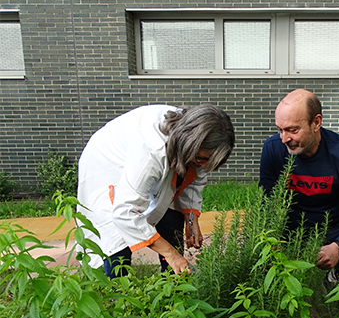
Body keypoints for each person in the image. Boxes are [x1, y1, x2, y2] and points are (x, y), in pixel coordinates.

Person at [77, 104, 235, 277]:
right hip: (107, 164)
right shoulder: (152, 150)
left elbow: (192, 179)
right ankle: (117, 293)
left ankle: (172, 283)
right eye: (201, 159)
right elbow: (124, 213)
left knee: (171, 212)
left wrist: (191, 220)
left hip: (152, 157)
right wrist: (171, 254)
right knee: (117, 240)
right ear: (188, 143)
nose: (204, 166)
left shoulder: (194, 138)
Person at [259, 89, 339, 276]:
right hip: (291, 233)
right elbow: (266, 204)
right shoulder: (272, 149)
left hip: (334, 231)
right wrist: (274, 242)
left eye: (293, 130)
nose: (284, 139)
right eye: (279, 129)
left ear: (316, 122)